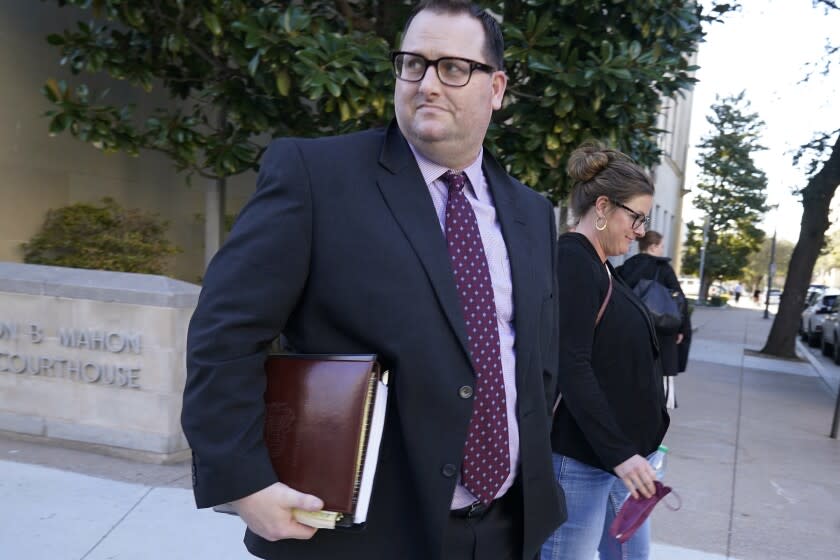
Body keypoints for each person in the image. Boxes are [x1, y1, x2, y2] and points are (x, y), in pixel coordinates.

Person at [181, 2, 566, 559]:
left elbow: (535, 359)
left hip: (505, 530)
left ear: (496, 87)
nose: (428, 84)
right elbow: (224, 335)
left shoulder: (531, 211)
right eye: (413, 64)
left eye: (453, 68)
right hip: (360, 534)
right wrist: (244, 480)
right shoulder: (315, 176)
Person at [541, 142, 669, 560]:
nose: (639, 231)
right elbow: (571, 365)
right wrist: (622, 454)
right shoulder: (573, 262)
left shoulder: (599, 264)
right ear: (602, 206)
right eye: (635, 218)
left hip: (620, 463)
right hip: (586, 461)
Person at [618, 230, 692, 409]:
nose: (662, 250)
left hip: (632, 334)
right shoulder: (663, 269)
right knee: (660, 390)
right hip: (662, 334)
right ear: (652, 246)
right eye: (661, 246)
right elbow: (679, 300)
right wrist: (682, 329)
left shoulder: (627, 266)